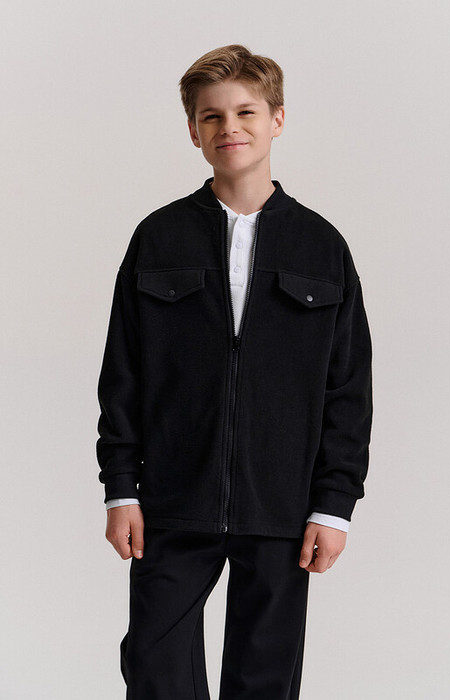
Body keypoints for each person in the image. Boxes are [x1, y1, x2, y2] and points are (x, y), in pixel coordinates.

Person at [96, 44, 373, 700]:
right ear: (194, 131)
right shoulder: (158, 238)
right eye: (211, 116)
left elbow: (348, 389)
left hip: (282, 504)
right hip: (172, 498)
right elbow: (123, 374)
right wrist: (121, 490)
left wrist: (334, 507)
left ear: (277, 119)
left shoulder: (321, 246)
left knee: (264, 681)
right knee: (156, 669)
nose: (230, 128)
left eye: (246, 112)